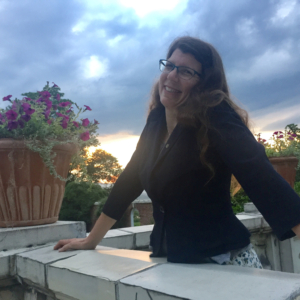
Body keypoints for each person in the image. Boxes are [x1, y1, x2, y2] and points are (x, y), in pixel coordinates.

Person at [54, 36, 300, 268]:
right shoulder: (157, 120)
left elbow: (259, 175)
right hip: (173, 260)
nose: (172, 76)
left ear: (204, 83)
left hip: (224, 262)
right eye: (169, 66)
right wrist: (91, 240)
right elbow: (130, 180)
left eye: (186, 72)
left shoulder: (215, 115)